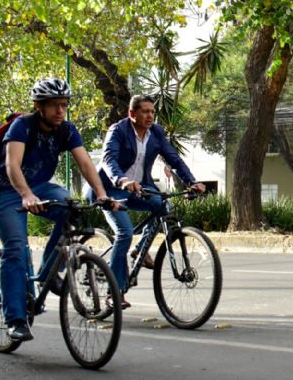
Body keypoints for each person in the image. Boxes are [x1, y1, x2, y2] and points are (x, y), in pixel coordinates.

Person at [0, 78, 121, 342]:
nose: (60, 111)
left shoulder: (66, 130)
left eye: (64, 105)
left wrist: (103, 195)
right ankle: (15, 319)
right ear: (38, 106)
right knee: (16, 247)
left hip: (39, 187)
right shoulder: (22, 126)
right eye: (54, 106)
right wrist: (25, 195)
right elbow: (13, 165)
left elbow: (85, 163)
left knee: (72, 207)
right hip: (4, 192)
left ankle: (49, 272)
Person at [85, 94, 205, 308]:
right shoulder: (118, 130)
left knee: (162, 206)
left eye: (152, 112)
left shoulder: (156, 133)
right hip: (109, 189)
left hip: (140, 188)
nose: (150, 115)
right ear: (132, 114)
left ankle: (140, 249)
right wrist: (122, 180)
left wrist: (191, 182)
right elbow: (109, 159)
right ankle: (116, 292)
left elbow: (174, 159)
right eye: (145, 111)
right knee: (124, 232)